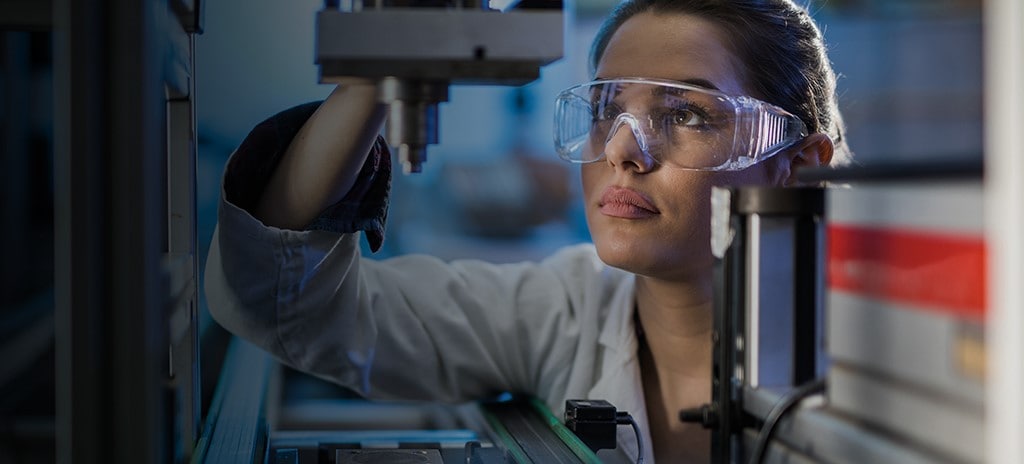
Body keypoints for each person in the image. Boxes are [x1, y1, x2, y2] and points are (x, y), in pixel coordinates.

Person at [204, 0, 851, 462]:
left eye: (685, 113)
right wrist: (377, 76)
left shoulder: (879, 357)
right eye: (606, 110)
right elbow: (284, 300)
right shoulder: (564, 310)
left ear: (797, 167)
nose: (623, 151)